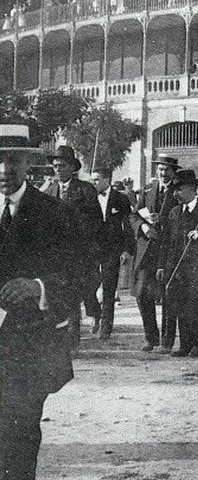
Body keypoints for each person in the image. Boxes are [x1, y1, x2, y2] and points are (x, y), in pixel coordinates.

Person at [0, 124, 84, 480]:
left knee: (19, 433)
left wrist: (38, 287)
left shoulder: (54, 214)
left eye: (13, 160)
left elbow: (79, 276)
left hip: (27, 346)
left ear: (28, 165)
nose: (5, 169)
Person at [155, 169, 198, 357]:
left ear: (191, 189)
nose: (175, 193)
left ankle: (197, 343)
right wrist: (161, 265)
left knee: (196, 305)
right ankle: (184, 345)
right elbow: (165, 242)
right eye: (173, 190)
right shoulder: (174, 212)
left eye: (179, 189)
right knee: (180, 305)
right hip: (177, 268)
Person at [43, 145, 100, 346]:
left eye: (62, 166)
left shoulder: (85, 190)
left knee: (74, 294)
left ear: (72, 168)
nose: (58, 170)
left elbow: (94, 222)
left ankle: (73, 338)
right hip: (55, 256)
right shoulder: (49, 191)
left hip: (78, 253)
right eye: (55, 166)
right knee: (56, 295)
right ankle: (59, 336)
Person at [130, 154, 181, 352]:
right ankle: (150, 337)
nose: (163, 173)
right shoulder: (148, 190)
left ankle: (167, 341)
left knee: (168, 295)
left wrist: (163, 220)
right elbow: (133, 214)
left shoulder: (178, 192)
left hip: (168, 250)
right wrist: (143, 227)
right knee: (142, 294)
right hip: (146, 250)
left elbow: (182, 218)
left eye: (167, 170)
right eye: (160, 169)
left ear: (173, 172)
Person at [89, 167, 135, 340]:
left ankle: (106, 328)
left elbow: (128, 226)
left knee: (109, 289)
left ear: (107, 180)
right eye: (92, 180)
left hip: (112, 250)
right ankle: (95, 314)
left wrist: (126, 249)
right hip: (92, 249)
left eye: (96, 180)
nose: (93, 183)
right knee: (89, 285)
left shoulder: (120, 199)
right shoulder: (88, 198)